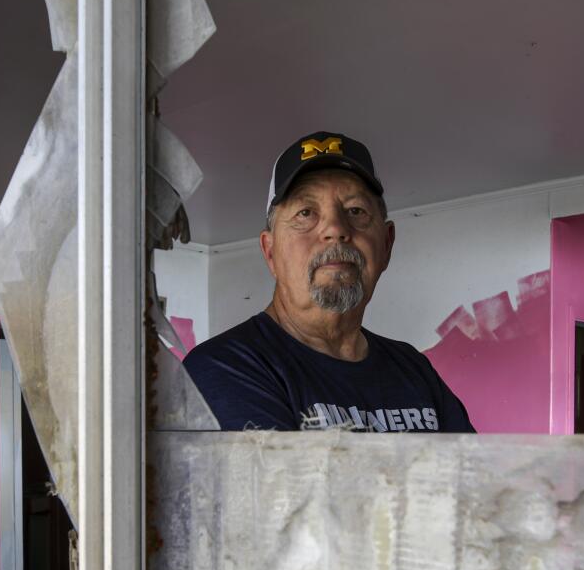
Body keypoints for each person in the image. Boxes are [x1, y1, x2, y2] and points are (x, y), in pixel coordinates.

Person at [184, 133, 476, 433]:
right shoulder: (225, 367)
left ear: (386, 244)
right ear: (270, 251)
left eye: (355, 211)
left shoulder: (413, 369)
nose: (335, 229)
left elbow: (480, 479)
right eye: (306, 213)